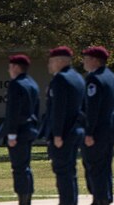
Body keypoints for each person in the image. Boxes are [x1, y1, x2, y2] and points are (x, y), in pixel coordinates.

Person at [43, 46, 86, 205]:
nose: (49, 64)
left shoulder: (60, 79)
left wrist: (57, 134)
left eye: (51, 61)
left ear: (60, 61)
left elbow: (58, 109)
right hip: (75, 131)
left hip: (64, 133)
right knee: (70, 171)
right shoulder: (78, 78)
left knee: (63, 172)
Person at [0, 53, 40, 205]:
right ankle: (27, 198)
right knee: (25, 167)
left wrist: (12, 134)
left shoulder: (16, 84)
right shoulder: (32, 84)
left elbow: (13, 112)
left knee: (19, 168)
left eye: (10, 67)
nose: (9, 70)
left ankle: (23, 200)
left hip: (19, 132)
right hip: (29, 130)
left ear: (15, 67)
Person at [81, 46, 114, 205]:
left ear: (95, 60)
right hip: (109, 129)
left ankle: (100, 199)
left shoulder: (94, 79)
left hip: (97, 131)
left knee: (94, 167)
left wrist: (89, 132)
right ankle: (106, 196)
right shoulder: (111, 77)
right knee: (104, 166)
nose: (83, 61)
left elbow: (92, 108)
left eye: (86, 58)